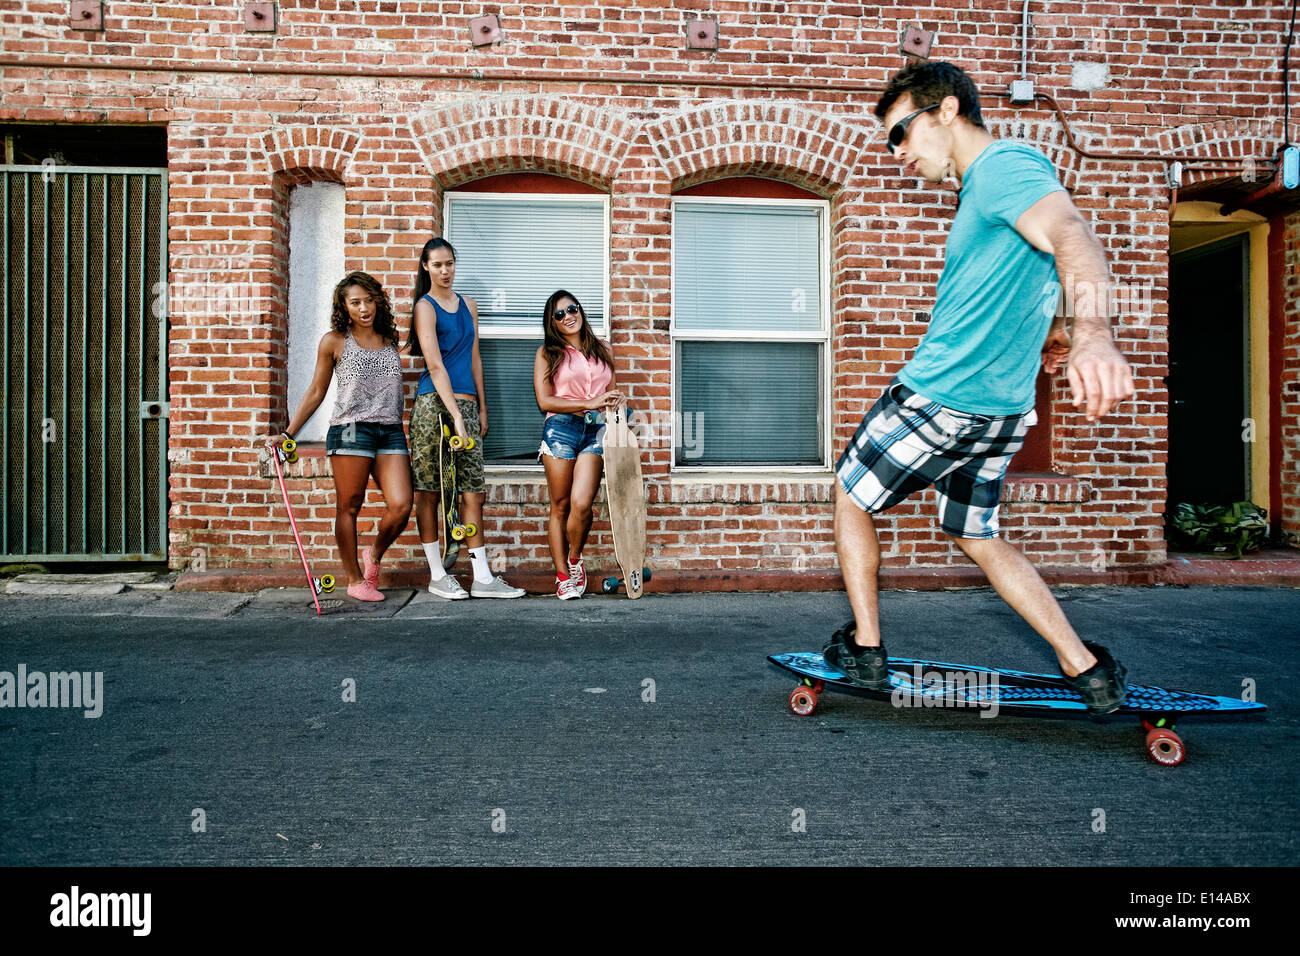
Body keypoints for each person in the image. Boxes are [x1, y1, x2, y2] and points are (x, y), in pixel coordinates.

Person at [827, 61, 1136, 714]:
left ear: (945, 111)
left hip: (940, 397)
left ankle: (867, 649)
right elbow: (1036, 268)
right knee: (977, 533)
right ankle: (1088, 671)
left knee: (851, 495)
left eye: (901, 133)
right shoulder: (989, 192)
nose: (899, 153)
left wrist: (1095, 336)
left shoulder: (1003, 166)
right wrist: (1056, 333)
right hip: (1001, 414)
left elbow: (1072, 234)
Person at [272, 271, 412, 602]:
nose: (364, 308)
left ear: (378, 300)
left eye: (369, 300)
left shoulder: (389, 338)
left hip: (389, 428)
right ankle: (355, 579)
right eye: (355, 302)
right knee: (349, 505)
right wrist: (289, 433)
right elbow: (318, 390)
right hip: (350, 428)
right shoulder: (334, 341)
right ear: (344, 307)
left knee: (401, 504)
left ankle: (374, 555)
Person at [406, 237, 524, 599]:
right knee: (429, 491)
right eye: (438, 264)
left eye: (450, 263)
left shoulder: (468, 305)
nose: (445, 271)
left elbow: (474, 359)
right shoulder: (424, 307)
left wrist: (480, 407)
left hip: (467, 406)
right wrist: (454, 414)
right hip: (433, 407)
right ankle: (438, 573)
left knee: (472, 492)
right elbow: (435, 364)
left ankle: (483, 578)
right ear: (426, 266)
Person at [533, 290, 622, 600]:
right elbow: (544, 400)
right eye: (559, 314)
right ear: (553, 323)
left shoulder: (604, 350)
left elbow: (610, 397)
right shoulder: (548, 352)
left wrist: (613, 404)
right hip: (560, 429)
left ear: (581, 311)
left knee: (582, 504)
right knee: (560, 505)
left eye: (572, 309)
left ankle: (574, 559)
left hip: (595, 429)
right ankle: (561, 576)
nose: (568, 316)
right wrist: (590, 401)